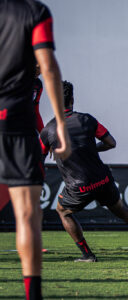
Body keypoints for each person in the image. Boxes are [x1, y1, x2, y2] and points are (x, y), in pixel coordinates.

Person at [40, 81, 128, 261]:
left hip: (79, 186)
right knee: (122, 210)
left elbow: (39, 158)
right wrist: (90, 148)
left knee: (63, 211)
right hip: (102, 179)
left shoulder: (48, 131)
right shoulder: (87, 119)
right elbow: (111, 143)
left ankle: (87, 255)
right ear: (73, 100)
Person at [0, 1, 71, 299]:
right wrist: (61, 127)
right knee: (27, 216)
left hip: (19, 124)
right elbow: (50, 65)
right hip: (14, 124)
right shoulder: (33, 12)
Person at [33, 64, 44, 133]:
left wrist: (43, 132)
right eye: (38, 68)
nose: (40, 72)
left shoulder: (38, 84)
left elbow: (35, 110)